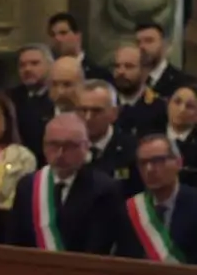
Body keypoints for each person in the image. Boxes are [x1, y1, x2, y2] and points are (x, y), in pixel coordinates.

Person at [8, 113, 126, 255]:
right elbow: (15, 241)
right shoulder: (28, 186)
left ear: (86, 147)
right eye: (53, 144)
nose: (60, 154)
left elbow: (98, 247)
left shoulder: (103, 189)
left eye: (70, 146)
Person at [117, 133, 197, 263]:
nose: (149, 169)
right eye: (143, 163)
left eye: (158, 161)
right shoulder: (130, 210)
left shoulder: (194, 205)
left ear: (179, 162)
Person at [77, 79, 141, 196]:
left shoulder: (132, 151)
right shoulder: (67, 147)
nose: (88, 117)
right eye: (83, 110)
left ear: (114, 113)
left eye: (96, 111)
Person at [7, 43, 54, 158]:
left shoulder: (57, 98)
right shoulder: (9, 98)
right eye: (22, 65)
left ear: (51, 66)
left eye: (34, 63)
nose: (27, 69)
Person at [112, 42, 166, 136]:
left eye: (129, 66)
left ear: (145, 71)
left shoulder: (160, 108)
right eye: (117, 66)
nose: (121, 72)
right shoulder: (105, 104)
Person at [47, 11, 110, 81]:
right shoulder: (49, 73)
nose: (57, 38)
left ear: (78, 36)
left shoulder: (99, 74)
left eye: (63, 33)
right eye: (53, 35)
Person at [135, 21, 188, 98]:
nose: (142, 46)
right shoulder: (130, 80)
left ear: (164, 45)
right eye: (138, 42)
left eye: (149, 41)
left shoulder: (183, 83)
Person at [166, 84, 197, 180]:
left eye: (190, 106)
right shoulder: (148, 132)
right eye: (177, 102)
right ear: (168, 103)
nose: (182, 109)